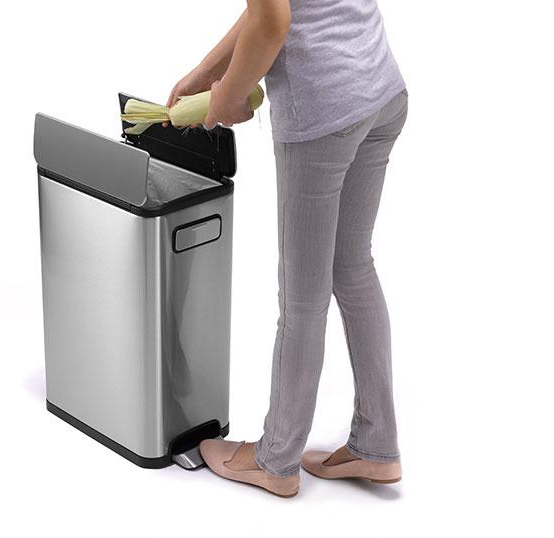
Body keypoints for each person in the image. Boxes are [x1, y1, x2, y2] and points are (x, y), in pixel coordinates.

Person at [166, 0, 408, 497]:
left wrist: (228, 98)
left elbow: (273, 20)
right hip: (380, 89)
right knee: (354, 267)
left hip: (323, 113)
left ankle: (276, 459)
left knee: (303, 298)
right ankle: (377, 445)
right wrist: (207, 74)